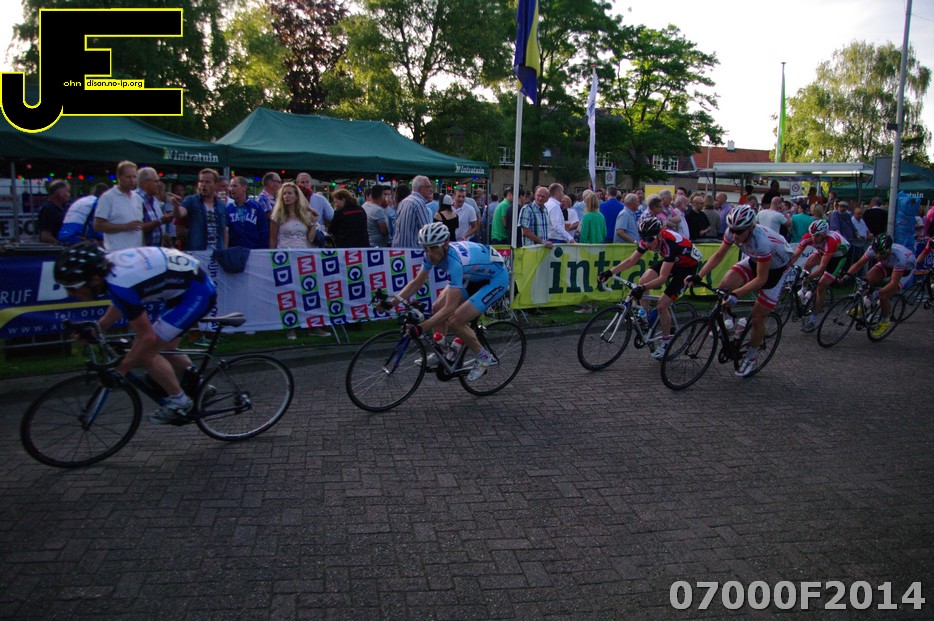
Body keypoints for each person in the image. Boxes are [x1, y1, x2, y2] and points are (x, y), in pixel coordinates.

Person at [53, 242, 217, 425]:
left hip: (196, 293)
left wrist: (120, 370)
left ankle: (180, 402)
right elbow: (123, 303)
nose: (70, 293)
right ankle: (200, 386)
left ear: (94, 280)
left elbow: (146, 337)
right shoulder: (109, 272)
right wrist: (97, 329)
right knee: (165, 348)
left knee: (146, 353)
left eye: (73, 287)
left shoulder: (119, 283)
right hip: (184, 287)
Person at [378, 222, 509, 382]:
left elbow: (449, 309)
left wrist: (421, 328)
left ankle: (483, 357)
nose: (429, 253)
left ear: (445, 244)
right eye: (425, 248)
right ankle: (443, 349)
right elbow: (417, 282)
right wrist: (391, 303)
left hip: (495, 279)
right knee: (437, 307)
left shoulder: (454, 263)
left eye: (432, 248)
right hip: (473, 275)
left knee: (455, 320)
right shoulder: (432, 254)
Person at [689, 205, 793, 377]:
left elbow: (761, 279)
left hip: (777, 269)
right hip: (754, 260)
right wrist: (698, 276)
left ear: (751, 227)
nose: (735, 235)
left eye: (739, 231)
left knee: (757, 317)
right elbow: (719, 255)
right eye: (732, 230)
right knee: (724, 286)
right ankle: (729, 324)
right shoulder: (733, 233)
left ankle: (751, 356)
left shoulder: (762, 242)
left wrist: (736, 294)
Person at [598, 217, 702, 359]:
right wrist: (610, 272)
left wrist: (641, 289)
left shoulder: (669, 244)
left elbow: (662, 278)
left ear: (659, 235)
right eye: (644, 239)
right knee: (643, 280)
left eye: (650, 239)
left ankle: (666, 343)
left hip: (687, 269)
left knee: (662, 305)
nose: (647, 243)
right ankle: (646, 317)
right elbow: (631, 260)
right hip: (673, 262)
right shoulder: (649, 239)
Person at [269, 182, 321, 340]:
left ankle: (312, 325)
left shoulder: (304, 215)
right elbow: (272, 239)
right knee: (288, 292)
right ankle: (290, 327)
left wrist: (314, 223)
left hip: (303, 256)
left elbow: (310, 238)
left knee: (307, 290)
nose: (287, 196)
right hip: (285, 256)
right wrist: (273, 257)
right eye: (284, 194)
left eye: (290, 193)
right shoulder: (277, 217)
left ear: (297, 196)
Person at [839, 233, 916, 338]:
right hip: (887, 263)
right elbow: (858, 264)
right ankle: (865, 304)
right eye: (877, 253)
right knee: (866, 281)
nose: (878, 256)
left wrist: (878, 293)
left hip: (905, 270)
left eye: (882, 253)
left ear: (889, 249)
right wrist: (846, 276)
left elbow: (893, 283)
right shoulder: (873, 249)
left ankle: (885, 320)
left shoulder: (899, 258)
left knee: (884, 295)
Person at [787, 219, 851, 333]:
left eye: (817, 236)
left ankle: (813, 320)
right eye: (812, 235)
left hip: (838, 257)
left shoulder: (830, 241)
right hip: (823, 251)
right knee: (807, 264)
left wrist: (808, 278)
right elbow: (795, 255)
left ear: (824, 235)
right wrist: (785, 267)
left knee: (821, 286)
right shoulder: (808, 237)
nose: (814, 239)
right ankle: (805, 290)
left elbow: (822, 267)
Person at [171, 168, 228, 252]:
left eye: (207, 182)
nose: (203, 185)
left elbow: (224, 231)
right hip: (197, 252)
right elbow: (179, 214)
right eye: (201, 181)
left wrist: (224, 251)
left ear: (215, 184)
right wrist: (176, 206)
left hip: (217, 253)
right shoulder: (191, 200)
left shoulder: (221, 205)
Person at [94, 161, 145, 250]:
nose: (132, 180)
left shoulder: (137, 198)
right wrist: (126, 226)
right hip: (116, 252)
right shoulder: (108, 197)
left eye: (134, 177)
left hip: (136, 252)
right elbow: (98, 225)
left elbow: (139, 228)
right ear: (119, 176)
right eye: (128, 177)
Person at [226, 176, 269, 249]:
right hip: (234, 250)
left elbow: (263, 230)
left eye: (235, 186)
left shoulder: (256, 207)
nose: (231, 189)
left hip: (254, 250)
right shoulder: (228, 208)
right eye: (231, 186)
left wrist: (262, 248)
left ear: (244, 188)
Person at [136, 167, 174, 247]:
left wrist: (162, 234)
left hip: (153, 250)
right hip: (142, 251)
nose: (159, 184)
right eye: (156, 181)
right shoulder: (135, 199)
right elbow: (138, 227)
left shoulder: (151, 199)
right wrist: (161, 221)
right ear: (146, 183)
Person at [392, 176, 432, 248]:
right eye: (428, 186)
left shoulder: (404, 201)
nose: (431, 190)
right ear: (421, 188)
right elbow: (427, 230)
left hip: (397, 248)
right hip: (412, 250)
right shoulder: (419, 203)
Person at [38, 179, 71, 244]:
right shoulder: (48, 208)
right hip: (55, 248)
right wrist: (61, 244)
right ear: (60, 193)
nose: (69, 194)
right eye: (67, 191)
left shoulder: (63, 207)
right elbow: (45, 236)